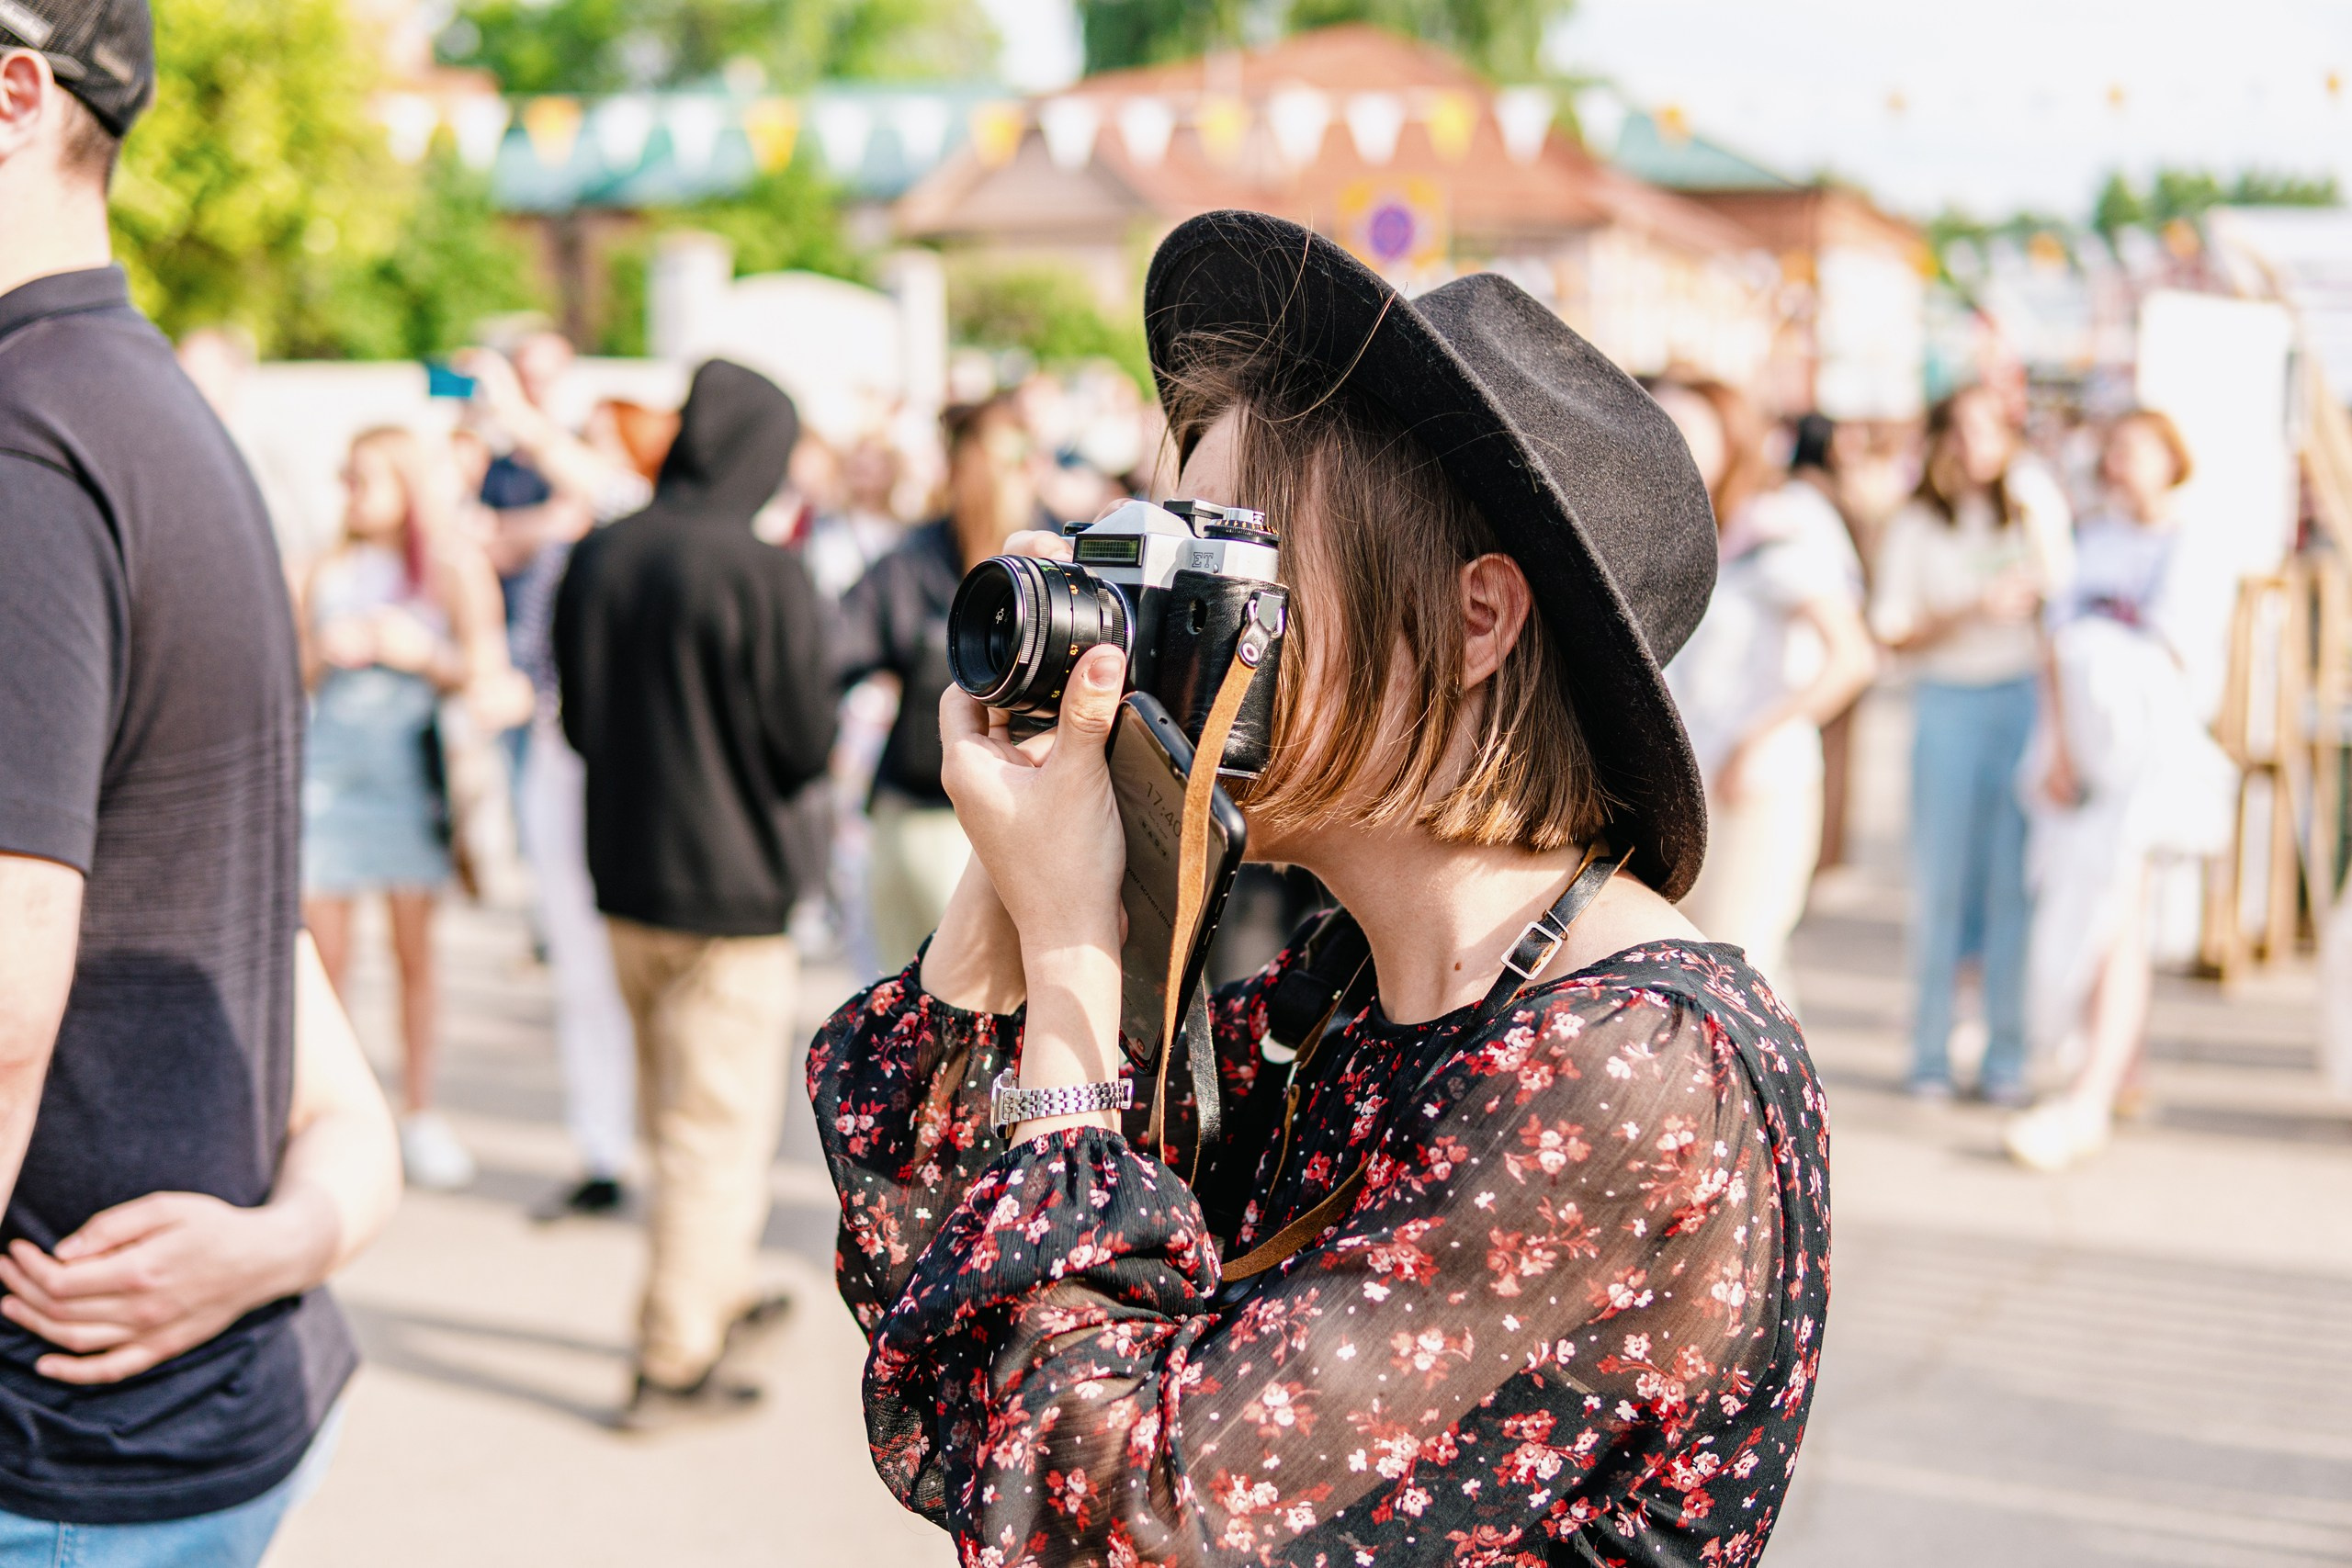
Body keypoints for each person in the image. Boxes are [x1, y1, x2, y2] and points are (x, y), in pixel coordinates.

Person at [808, 210, 1829, 1564]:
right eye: (1182, 557)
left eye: (1241, 558)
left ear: (1477, 618)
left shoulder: (1634, 1066)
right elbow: (929, 1270)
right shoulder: (1344, 995)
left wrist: (1069, 961)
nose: (1187, 624)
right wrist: (1019, 865)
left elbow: (1106, 1511)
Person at [0, 9, 402, 1558]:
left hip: (69, 1460)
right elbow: (273, 983)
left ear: (17, 93)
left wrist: (266, 1248)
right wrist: (277, 1244)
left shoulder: (34, 445)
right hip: (202, 1413)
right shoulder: (157, 418)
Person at [553, 360, 836, 1429]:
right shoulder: (764, 573)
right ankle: (673, 1358)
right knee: (711, 1130)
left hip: (623, 875)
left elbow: (576, 723)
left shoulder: (600, 552)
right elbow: (803, 748)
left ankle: (709, 1288)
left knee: (675, 1120)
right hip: (730, 890)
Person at [2006, 411, 2233, 1170]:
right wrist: (2062, 741)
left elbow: (2179, 663)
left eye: (2138, 447)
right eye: (2117, 446)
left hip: (2145, 757)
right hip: (2082, 750)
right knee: (2084, 906)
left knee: (2118, 910)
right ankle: (2112, 1067)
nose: (2123, 460)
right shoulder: (2093, 542)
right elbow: (2056, 646)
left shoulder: (2193, 545)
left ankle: (2091, 1092)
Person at [296, 428, 523, 1190]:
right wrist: (328, 648)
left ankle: (418, 1111)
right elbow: (291, 669)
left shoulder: (451, 568)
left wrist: (415, 651)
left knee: (413, 956)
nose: (351, 494)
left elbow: (487, 673)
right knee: (325, 962)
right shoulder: (324, 568)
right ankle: (333, 1112)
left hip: (411, 778)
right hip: (328, 775)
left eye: (366, 480)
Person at [1870, 385, 2074, 1104]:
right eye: (1961, 430)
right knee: (1941, 884)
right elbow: (1891, 630)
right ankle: (1929, 1050)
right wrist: (1968, 611)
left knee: (2015, 885)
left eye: (1989, 431)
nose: (1975, 446)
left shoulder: (2033, 504)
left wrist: (2063, 733)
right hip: (1947, 700)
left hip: (2020, 699)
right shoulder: (1918, 522)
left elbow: (2061, 614)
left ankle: (2006, 1054)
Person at [493, 392, 666, 1222]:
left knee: (628, 964)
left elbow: (608, 489)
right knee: (579, 963)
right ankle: (602, 1143)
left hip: (622, 764)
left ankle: (647, 1137)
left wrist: (520, 416)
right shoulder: (568, 535)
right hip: (559, 747)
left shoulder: (637, 522)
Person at [1657, 378, 1876, 1008]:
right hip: (1685, 790)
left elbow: (1851, 657)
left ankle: (1779, 1104)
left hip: (1757, 787)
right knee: (1691, 972)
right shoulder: (1680, 532)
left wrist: (1759, 738)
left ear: (1732, 439)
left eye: (1687, 430)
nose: (1669, 443)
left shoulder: (1779, 524)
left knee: (1739, 976)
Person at [837, 395, 1046, 972]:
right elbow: (833, 652)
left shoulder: (1055, 559)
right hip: (922, 808)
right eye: (1004, 461)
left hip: (1016, 817)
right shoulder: (912, 562)